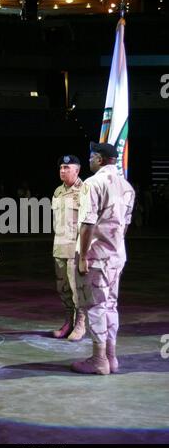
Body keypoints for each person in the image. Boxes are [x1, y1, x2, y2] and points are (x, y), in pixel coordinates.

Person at [71, 142, 135, 375]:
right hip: (116, 256)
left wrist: (83, 256)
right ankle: (111, 357)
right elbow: (125, 226)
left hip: (96, 257)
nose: (89, 160)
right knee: (111, 306)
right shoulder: (127, 187)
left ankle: (99, 359)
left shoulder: (92, 183)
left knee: (96, 306)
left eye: (91, 156)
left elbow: (87, 223)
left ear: (99, 159)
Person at [52, 155, 86, 341]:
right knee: (63, 287)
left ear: (77, 170)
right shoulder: (57, 191)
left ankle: (80, 323)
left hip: (75, 249)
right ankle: (68, 322)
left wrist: (85, 253)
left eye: (66, 167)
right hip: (59, 248)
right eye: (61, 168)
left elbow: (88, 224)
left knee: (77, 288)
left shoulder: (85, 191)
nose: (62, 170)